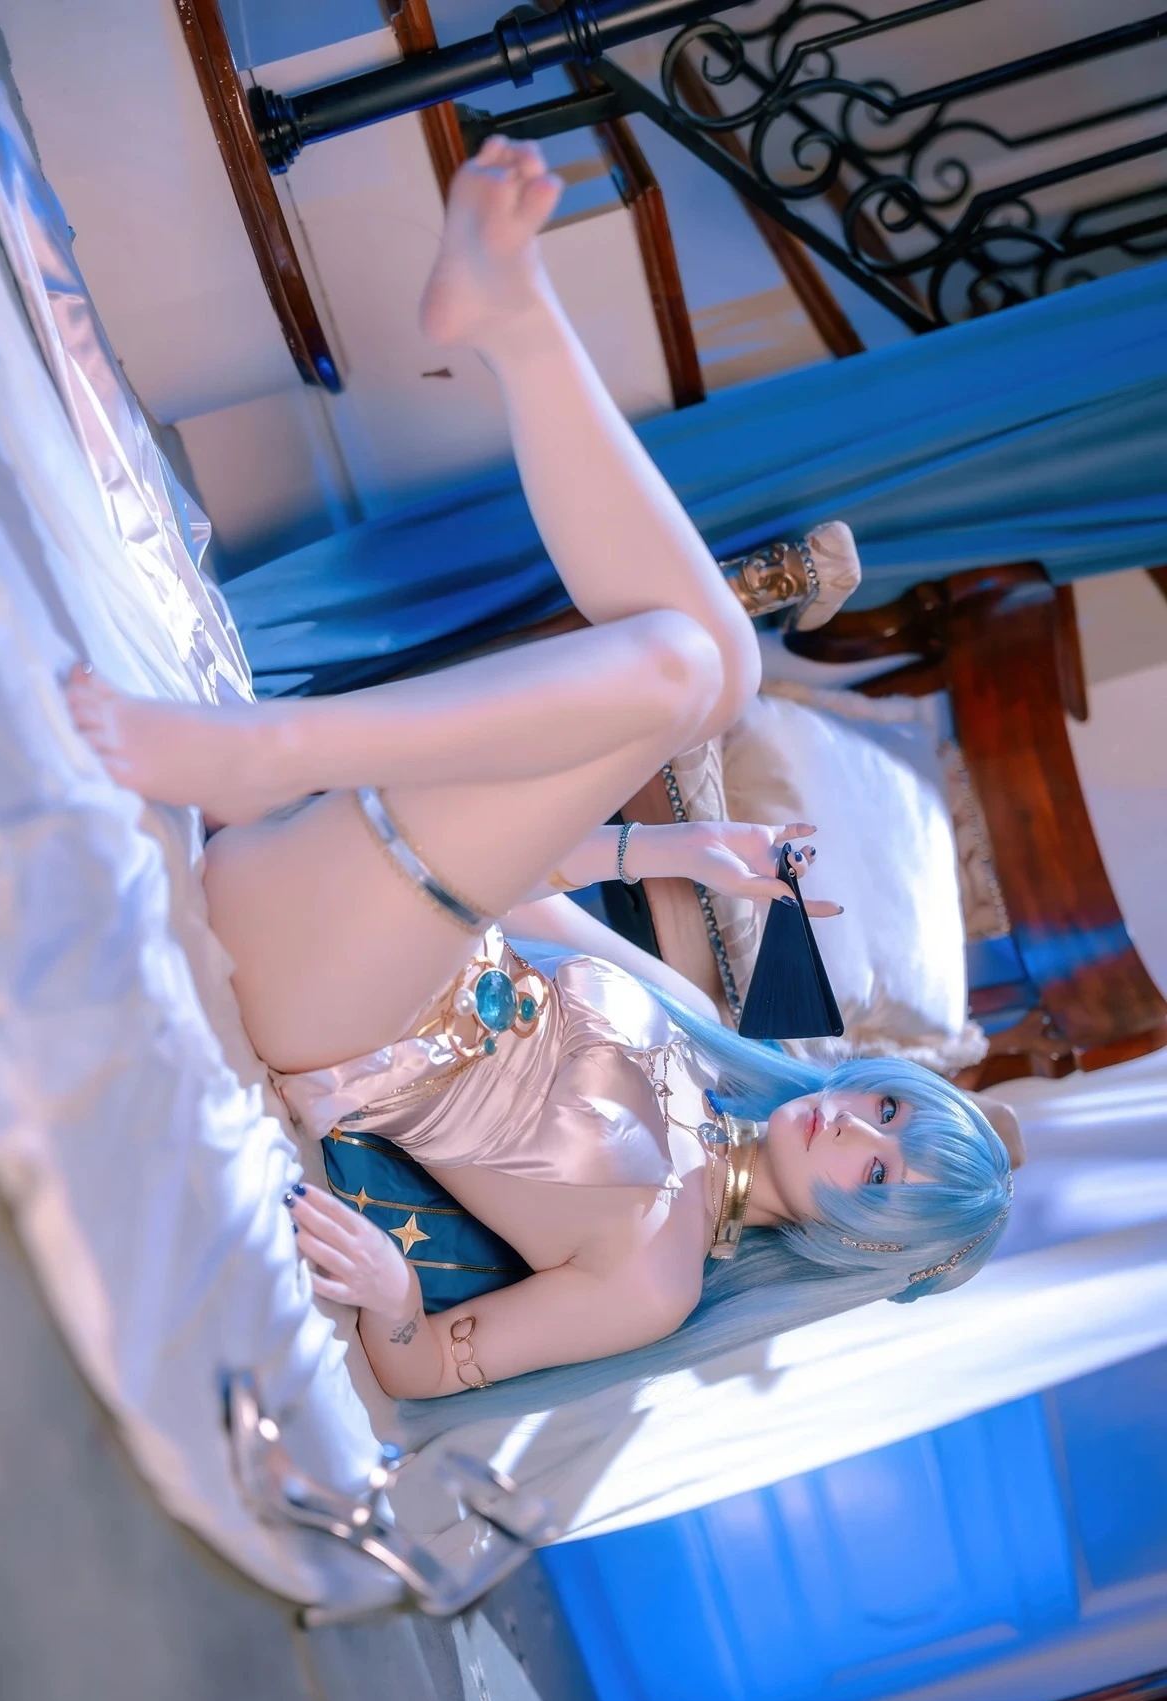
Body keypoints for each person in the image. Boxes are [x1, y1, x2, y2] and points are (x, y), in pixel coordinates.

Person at [66, 138, 1013, 1421]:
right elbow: (520, 890)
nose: (859, 1132)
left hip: (332, 1015)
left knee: (698, 670)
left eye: (882, 1176)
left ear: (862, 1241)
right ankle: (513, 322)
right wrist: (666, 851)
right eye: (892, 1109)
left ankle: (283, 731)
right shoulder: (691, 1019)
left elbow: (423, 1370)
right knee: (713, 664)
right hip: (358, 894)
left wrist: (396, 1301)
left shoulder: (656, 1282)